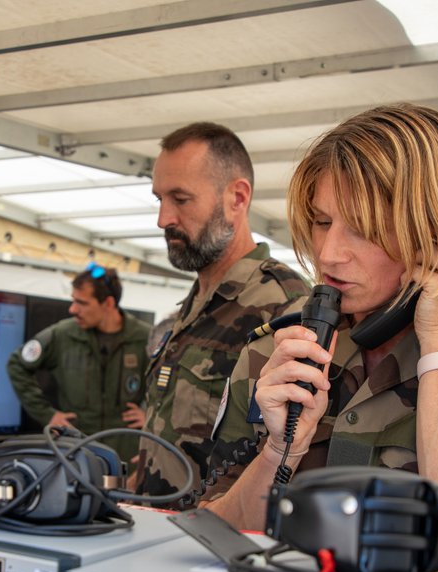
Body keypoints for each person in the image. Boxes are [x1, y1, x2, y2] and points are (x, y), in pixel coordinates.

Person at [202, 104, 438, 533]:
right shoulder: (279, 353)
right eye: (322, 221)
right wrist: (280, 451)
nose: (328, 254)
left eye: (363, 229)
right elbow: (213, 531)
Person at [132, 122, 310, 502]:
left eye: (180, 199)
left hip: (219, 532)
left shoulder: (284, 309)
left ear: (237, 198)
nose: (163, 219)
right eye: (159, 199)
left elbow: (285, 461)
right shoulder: (195, 304)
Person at [6, 265, 151, 461]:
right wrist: (48, 415)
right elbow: (17, 364)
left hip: (126, 457)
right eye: (73, 300)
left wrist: (150, 414)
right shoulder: (62, 335)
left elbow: (170, 382)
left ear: (108, 303)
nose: (72, 309)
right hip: (77, 455)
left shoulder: (145, 338)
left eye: (81, 303)